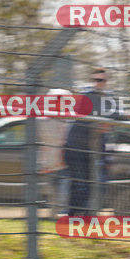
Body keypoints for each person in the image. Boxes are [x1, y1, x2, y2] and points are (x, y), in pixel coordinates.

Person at [63, 68, 108, 215]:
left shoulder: (105, 99)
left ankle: (83, 218)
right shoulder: (89, 96)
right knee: (80, 185)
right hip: (77, 148)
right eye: (95, 80)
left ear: (106, 82)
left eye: (101, 80)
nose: (98, 83)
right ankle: (72, 217)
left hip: (90, 150)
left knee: (91, 185)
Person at [38, 88, 72, 216]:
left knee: (64, 195)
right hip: (49, 164)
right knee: (52, 195)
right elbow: (51, 138)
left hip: (65, 164)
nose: (60, 104)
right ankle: (53, 218)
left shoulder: (69, 120)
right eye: (56, 100)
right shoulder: (44, 120)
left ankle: (61, 218)